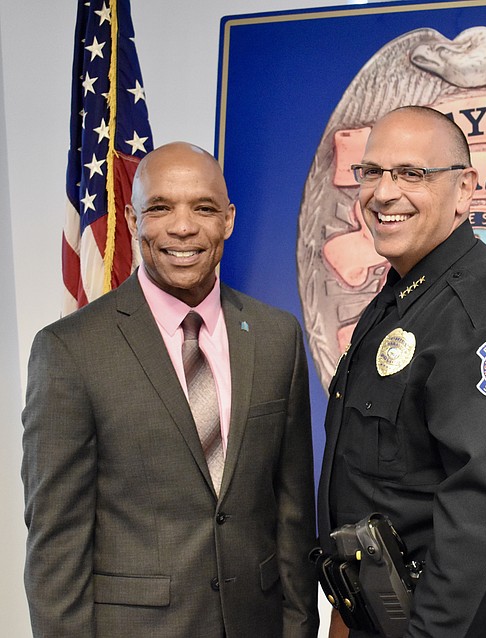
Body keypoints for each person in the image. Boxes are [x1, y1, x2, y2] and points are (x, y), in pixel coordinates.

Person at [21, 142, 319, 637]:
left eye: (203, 208)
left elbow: (291, 516)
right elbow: (56, 549)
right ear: (134, 223)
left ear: (229, 219)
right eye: (160, 208)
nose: (183, 227)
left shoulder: (276, 336)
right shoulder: (70, 350)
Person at [316, 106, 486, 637]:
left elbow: (484, 515)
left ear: (465, 188)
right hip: (380, 614)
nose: (383, 193)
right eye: (372, 172)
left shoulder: (481, 315)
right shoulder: (402, 298)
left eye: (411, 174)